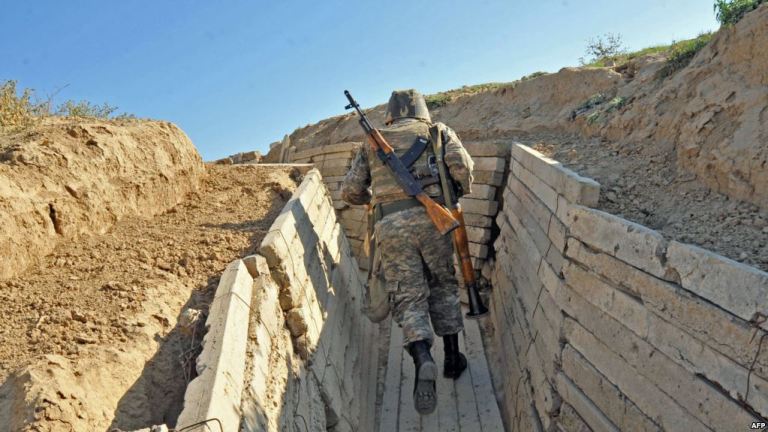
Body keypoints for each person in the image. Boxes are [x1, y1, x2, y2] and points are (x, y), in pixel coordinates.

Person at [341, 89, 474, 415]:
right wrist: (452, 193)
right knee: (443, 285)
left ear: (390, 114)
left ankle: (422, 357)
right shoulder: (437, 131)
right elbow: (463, 168)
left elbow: (350, 191)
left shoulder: (371, 143)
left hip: (390, 226)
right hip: (434, 222)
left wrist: (377, 199)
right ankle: (453, 359)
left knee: (408, 295)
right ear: (422, 110)